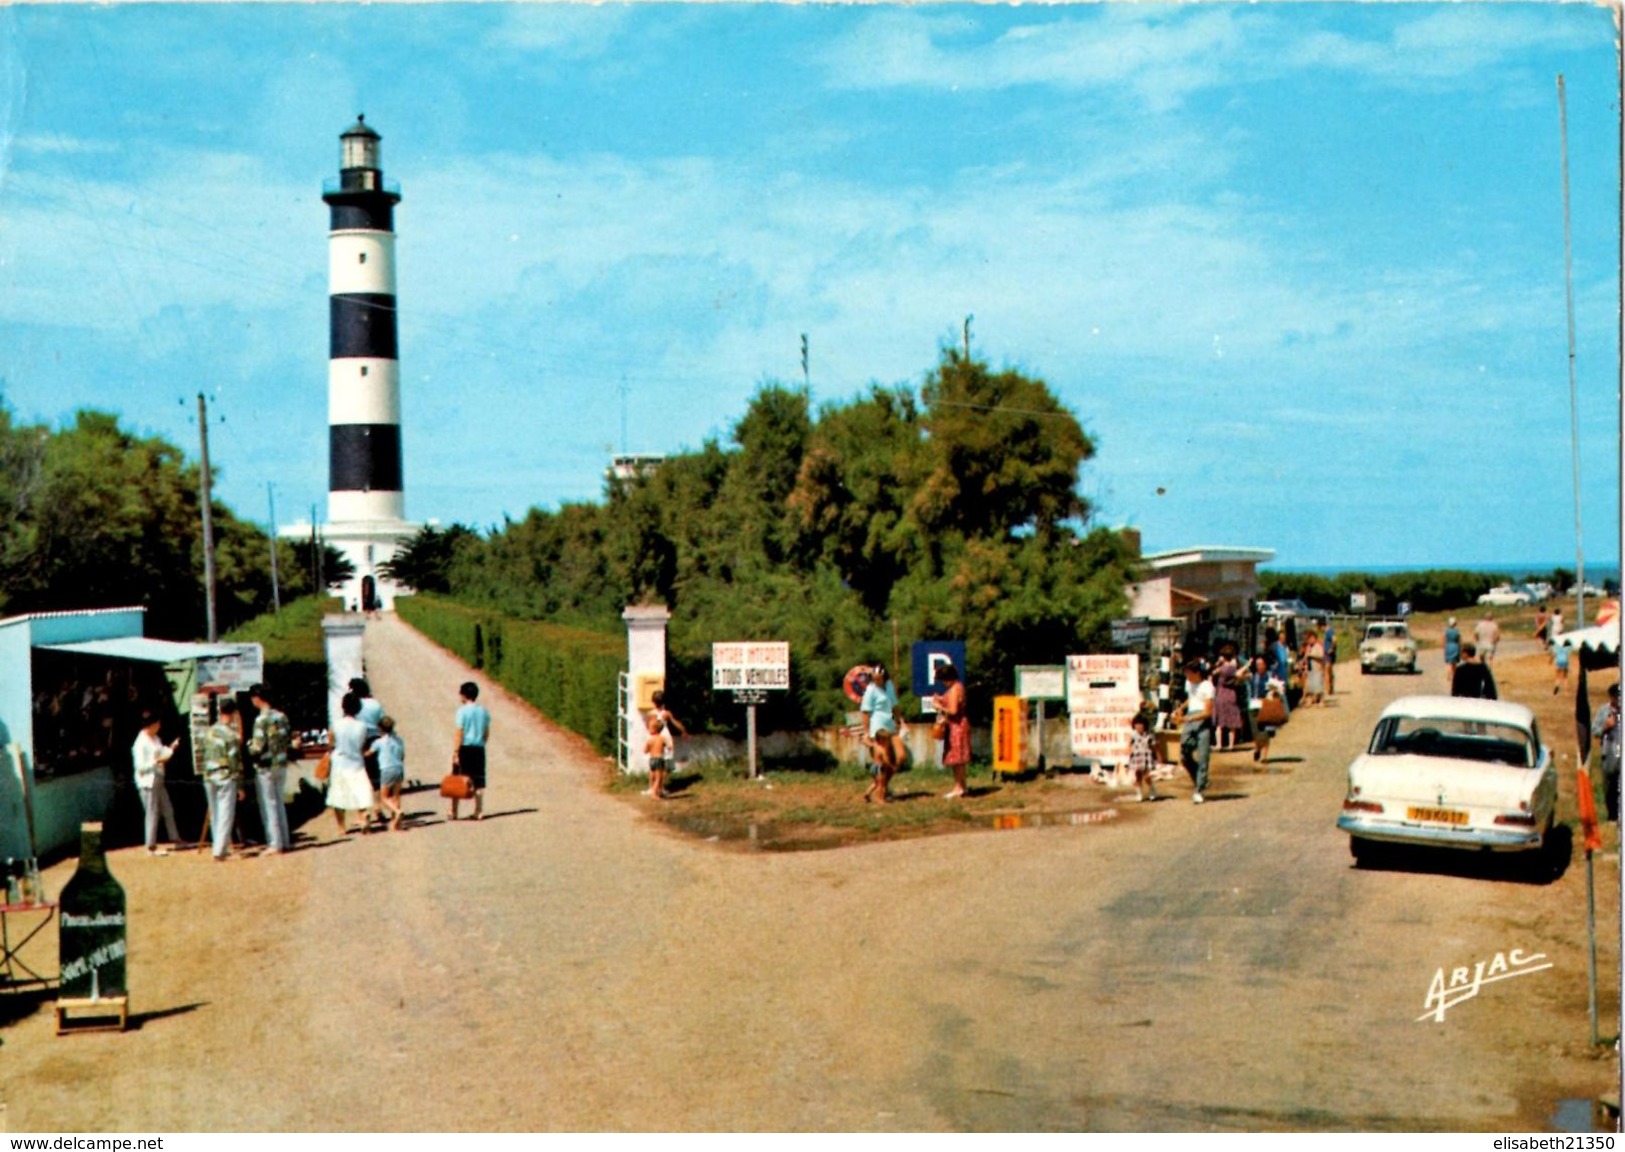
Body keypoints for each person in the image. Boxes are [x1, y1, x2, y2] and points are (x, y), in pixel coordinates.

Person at [247, 683, 292, 855]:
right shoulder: (282, 716)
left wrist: (248, 746)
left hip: (265, 766)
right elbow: (287, 738)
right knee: (279, 802)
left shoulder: (261, 720)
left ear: (257, 699)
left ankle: (274, 843)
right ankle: (285, 841)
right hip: (281, 763)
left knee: (268, 804)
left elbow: (257, 747)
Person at [200, 697, 245, 862]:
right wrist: (240, 785)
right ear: (233, 713)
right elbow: (235, 761)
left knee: (215, 813)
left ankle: (218, 847)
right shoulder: (231, 736)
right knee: (226, 813)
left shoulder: (209, 732)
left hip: (209, 775)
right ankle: (220, 851)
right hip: (226, 775)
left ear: (219, 711)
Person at [131, 712, 181, 855]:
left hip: (158, 778)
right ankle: (150, 844)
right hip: (147, 781)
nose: (159, 726)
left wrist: (171, 748)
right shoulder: (140, 743)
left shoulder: (155, 738)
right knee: (152, 812)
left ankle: (175, 837)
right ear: (150, 725)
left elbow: (161, 751)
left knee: (167, 808)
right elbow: (140, 766)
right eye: (156, 724)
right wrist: (157, 762)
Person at [327, 692, 376, 834]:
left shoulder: (335, 725)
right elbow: (363, 746)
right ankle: (362, 816)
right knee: (360, 790)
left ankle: (341, 826)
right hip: (356, 761)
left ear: (343, 707)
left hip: (340, 761)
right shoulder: (362, 726)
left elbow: (331, 745)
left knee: (338, 794)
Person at [1169, 661, 1213, 804]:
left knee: (1203, 756)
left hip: (1201, 719)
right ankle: (1200, 779)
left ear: (1197, 673)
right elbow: (1192, 698)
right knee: (1184, 753)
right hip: (1189, 718)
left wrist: (1186, 718)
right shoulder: (1189, 684)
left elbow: (1207, 712)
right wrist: (1181, 708)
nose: (1187, 676)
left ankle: (1199, 789)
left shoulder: (1208, 686)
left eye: (1189, 673)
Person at [860, 664, 902, 805]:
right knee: (882, 762)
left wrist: (899, 720)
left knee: (898, 758)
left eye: (879, 679)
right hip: (878, 726)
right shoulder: (870, 690)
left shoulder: (889, 685)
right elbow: (865, 712)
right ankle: (880, 794)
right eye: (875, 679)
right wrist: (867, 732)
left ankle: (876, 788)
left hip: (890, 724)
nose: (877, 681)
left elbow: (895, 704)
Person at [451, 681, 492, 821]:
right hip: (479, 748)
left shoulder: (461, 711)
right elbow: (486, 732)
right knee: (479, 781)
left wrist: (456, 751)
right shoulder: (483, 711)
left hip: (465, 748)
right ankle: (478, 810)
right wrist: (481, 742)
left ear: (463, 695)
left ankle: (454, 811)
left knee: (458, 779)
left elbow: (459, 732)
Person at [930, 662, 971, 799]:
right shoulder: (958, 687)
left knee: (956, 759)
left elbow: (953, 710)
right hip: (960, 724)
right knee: (959, 759)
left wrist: (938, 706)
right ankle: (962, 786)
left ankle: (958, 787)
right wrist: (942, 699)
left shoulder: (954, 689)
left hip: (956, 726)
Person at [1244, 656, 1286, 765]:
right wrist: (1247, 665)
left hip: (1266, 706)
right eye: (1257, 664)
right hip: (1254, 705)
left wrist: (1274, 692)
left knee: (1266, 732)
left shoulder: (1271, 676)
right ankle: (1257, 748)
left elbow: (1281, 688)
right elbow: (1238, 676)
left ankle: (1264, 756)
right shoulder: (1252, 676)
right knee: (1256, 732)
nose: (1260, 666)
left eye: (1261, 664)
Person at [645, 690, 687, 794]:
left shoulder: (650, 714)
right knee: (666, 764)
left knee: (653, 765)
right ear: (664, 702)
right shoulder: (666, 714)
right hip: (666, 737)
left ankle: (652, 788)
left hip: (655, 738)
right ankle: (661, 787)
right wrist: (683, 730)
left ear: (653, 701)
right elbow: (675, 723)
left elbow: (648, 726)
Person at [374, 715, 406, 831]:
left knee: (384, 797)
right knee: (396, 796)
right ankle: (396, 823)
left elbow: (369, 753)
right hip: (399, 768)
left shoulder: (379, 742)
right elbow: (402, 755)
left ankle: (397, 811)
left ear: (381, 729)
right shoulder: (399, 740)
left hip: (387, 769)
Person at [1594, 683, 1620, 822]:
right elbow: (1594, 731)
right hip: (1609, 753)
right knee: (1609, 786)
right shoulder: (1603, 711)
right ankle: (1612, 815)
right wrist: (1605, 726)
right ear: (1611, 697)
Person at [1211, 649, 1243, 751]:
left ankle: (1219, 745)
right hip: (1232, 694)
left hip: (1221, 694)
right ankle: (1231, 745)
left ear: (1223, 657)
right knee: (1231, 723)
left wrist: (1217, 664)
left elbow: (1212, 674)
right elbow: (1240, 676)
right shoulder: (1234, 668)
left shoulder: (1221, 669)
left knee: (1220, 723)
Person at [1127, 714, 1158, 803]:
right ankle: (1139, 793)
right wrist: (1129, 752)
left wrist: (1157, 756)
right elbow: (1129, 744)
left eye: (1141, 724)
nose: (1139, 726)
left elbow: (1154, 746)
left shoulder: (1149, 735)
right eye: (1137, 724)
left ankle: (1152, 789)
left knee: (1146, 775)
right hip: (1136, 756)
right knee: (1137, 775)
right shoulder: (1133, 735)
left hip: (1146, 756)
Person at [644, 713, 670, 800]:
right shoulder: (662, 738)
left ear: (654, 730)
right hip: (659, 758)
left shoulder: (650, 740)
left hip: (651, 759)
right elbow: (668, 746)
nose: (648, 730)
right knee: (659, 778)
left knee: (652, 774)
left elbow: (645, 750)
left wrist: (649, 749)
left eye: (649, 728)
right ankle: (655, 793)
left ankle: (653, 789)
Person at [1299, 631, 1326, 707]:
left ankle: (1321, 700)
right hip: (1310, 668)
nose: (1309, 640)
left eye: (1310, 638)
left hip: (1317, 667)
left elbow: (1321, 656)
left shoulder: (1318, 646)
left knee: (1318, 685)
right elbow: (1305, 657)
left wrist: (1312, 655)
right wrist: (1302, 663)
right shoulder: (1308, 647)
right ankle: (1310, 700)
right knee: (1310, 685)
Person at [1442, 617, 1462, 685]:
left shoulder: (1446, 631)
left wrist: (1444, 648)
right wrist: (1460, 648)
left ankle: (1448, 676)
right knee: (1454, 663)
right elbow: (1460, 641)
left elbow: (1444, 640)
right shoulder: (1457, 631)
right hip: (1455, 646)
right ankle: (1454, 676)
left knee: (1449, 663)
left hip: (1448, 646)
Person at [1323, 623, 1338, 696]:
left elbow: (1334, 640)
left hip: (1328, 654)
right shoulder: (1328, 632)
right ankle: (1330, 688)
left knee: (1327, 671)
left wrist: (1331, 649)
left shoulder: (1329, 632)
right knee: (1330, 671)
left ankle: (1328, 688)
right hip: (1329, 654)